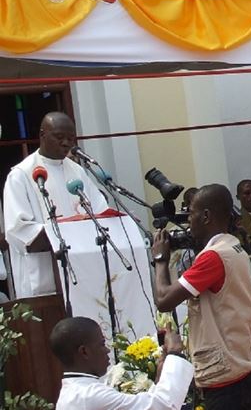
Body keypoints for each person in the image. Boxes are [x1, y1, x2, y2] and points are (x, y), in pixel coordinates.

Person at [152, 184, 251, 410]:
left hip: (229, 376)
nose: (188, 221)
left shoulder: (213, 257)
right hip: (246, 366)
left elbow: (164, 300)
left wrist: (160, 258)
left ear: (206, 216)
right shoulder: (233, 245)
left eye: (191, 213)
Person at [3, 112, 109, 298]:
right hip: (44, 281)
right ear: (42, 135)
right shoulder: (21, 175)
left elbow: (100, 213)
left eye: (70, 138)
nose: (66, 143)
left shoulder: (77, 171)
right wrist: (64, 233)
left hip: (84, 275)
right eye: (59, 137)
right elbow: (18, 230)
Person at [51, 316, 193, 409]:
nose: (107, 350)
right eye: (101, 344)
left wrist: (158, 381)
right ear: (84, 352)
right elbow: (162, 406)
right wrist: (175, 353)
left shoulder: (76, 392)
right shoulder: (89, 395)